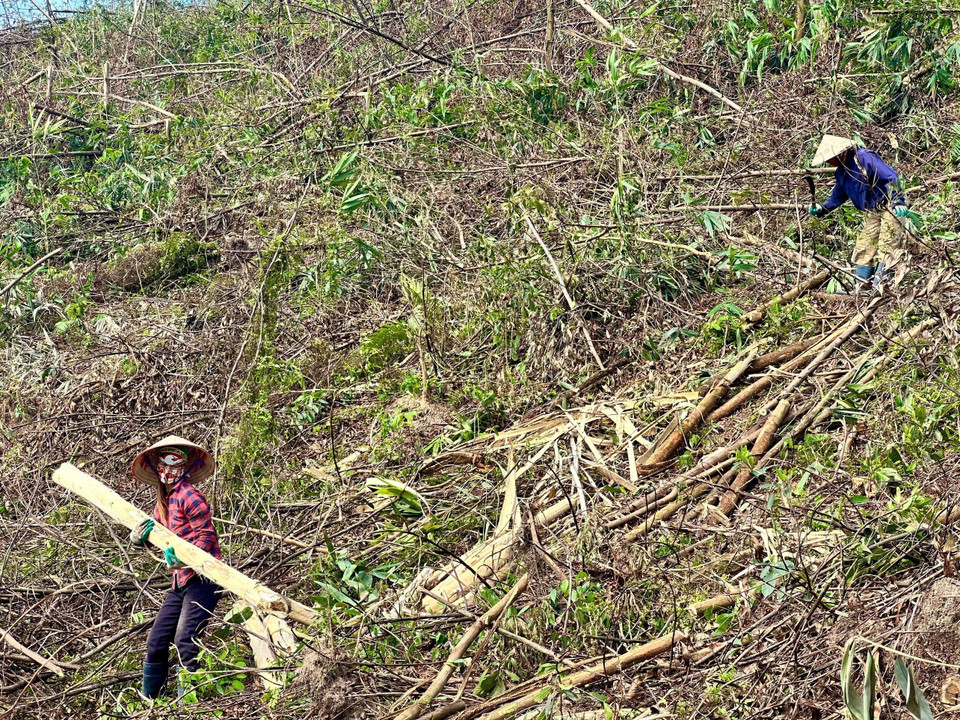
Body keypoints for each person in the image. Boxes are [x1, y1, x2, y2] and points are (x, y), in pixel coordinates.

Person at [127, 436, 222, 700]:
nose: (168, 470)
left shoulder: (190, 496)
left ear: (185, 467)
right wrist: (139, 538)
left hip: (204, 579)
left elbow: (206, 536)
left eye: (175, 464)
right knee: (156, 640)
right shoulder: (164, 501)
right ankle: (152, 700)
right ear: (156, 467)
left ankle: (188, 704)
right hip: (180, 581)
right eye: (164, 464)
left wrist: (185, 558)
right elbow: (155, 533)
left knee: (185, 640)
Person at [808, 134, 909, 286]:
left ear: (840, 153)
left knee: (887, 244)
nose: (829, 161)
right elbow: (839, 194)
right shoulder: (841, 172)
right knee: (864, 246)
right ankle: (861, 287)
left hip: (889, 203)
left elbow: (890, 177)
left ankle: (881, 287)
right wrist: (823, 208)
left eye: (830, 158)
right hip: (872, 209)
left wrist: (898, 200)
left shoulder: (863, 157)